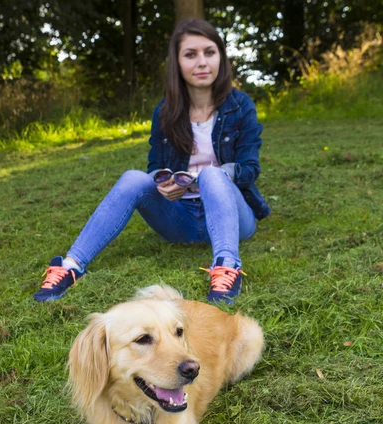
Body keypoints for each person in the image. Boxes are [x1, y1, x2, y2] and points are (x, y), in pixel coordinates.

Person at [33, 18, 271, 305]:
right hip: (181, 219)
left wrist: (210, 176)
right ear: (177, 62)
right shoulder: (166, 110)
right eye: (190, 54)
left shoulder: (240, 105)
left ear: (221, 56)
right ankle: (70, 266)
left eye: (210, 52)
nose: (202, 62)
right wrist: (164, 182)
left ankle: (227, 267)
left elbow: (250, 169)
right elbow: (154, 165)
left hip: (231, 217)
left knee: (211, 175)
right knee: (134, 177)